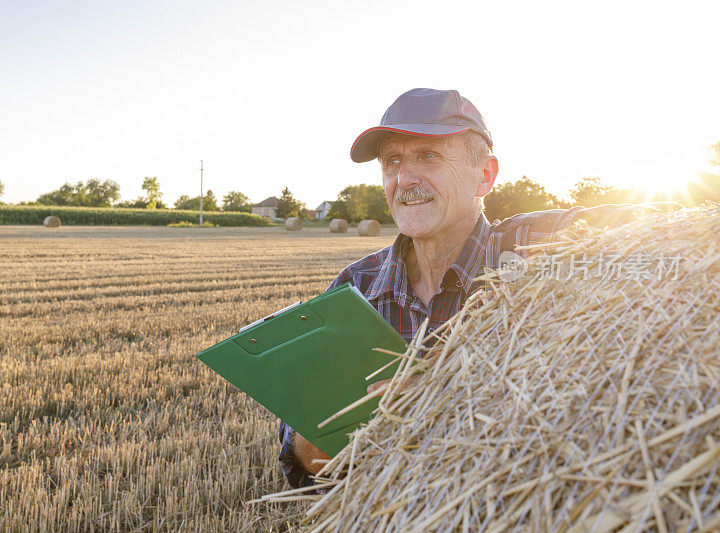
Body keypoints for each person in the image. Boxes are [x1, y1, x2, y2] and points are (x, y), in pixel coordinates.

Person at [278, 88, 649, 489]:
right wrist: (329, 432)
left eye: (429, 156)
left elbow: (673, 225)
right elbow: (301, 459)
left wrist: (447, 395)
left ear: (484, 176)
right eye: (392, 161)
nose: (404, 178)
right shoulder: (356, 287)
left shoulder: (539, 248)